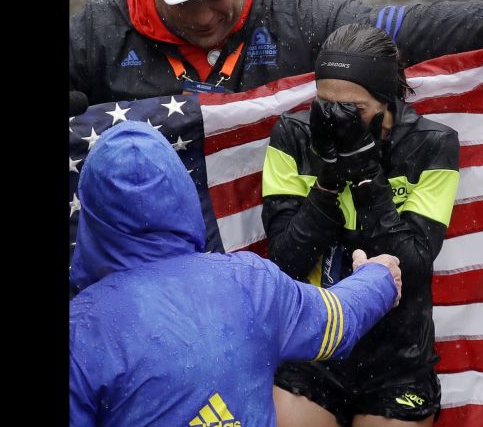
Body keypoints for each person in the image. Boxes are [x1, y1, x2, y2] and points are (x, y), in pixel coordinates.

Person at [69, 120, 405, 427]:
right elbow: (337, 320)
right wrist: (379, 277)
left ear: (92, 219)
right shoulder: (248, 282)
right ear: (182, 195)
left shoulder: (80, 331)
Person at [261, 23, 459, 427]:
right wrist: (328, 182)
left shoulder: (432, 145)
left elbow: (415, 267)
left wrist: (368, 175)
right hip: (312, 344)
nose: (336, 119)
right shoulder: (293, 136)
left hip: (395, 359)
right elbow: (285, 261)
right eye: (325, 105)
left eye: (353, 109)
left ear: (387, 101)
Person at [70, 0, 483, 105]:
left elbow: (402, 29)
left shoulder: (292, 9)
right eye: (189, 3)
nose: (209, 16)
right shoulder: (99, 29)